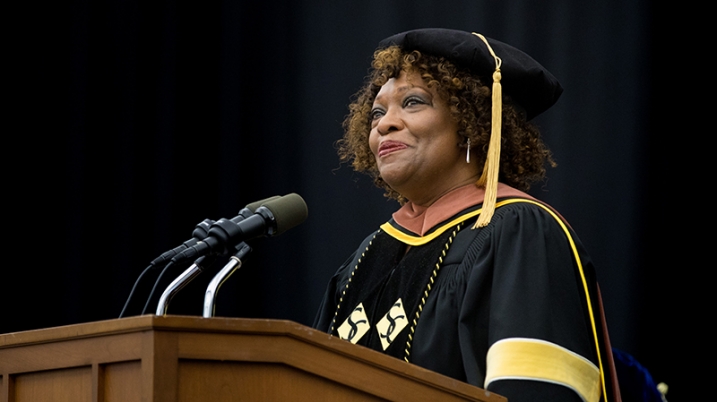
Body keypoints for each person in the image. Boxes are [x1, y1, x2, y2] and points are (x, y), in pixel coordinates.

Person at [313, 28, 619, 402]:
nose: (383, 123)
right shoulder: (366, 258)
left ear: (472, 124)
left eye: (412, 102)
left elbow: (534, 390)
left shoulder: (518, 231)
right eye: (377, 111)